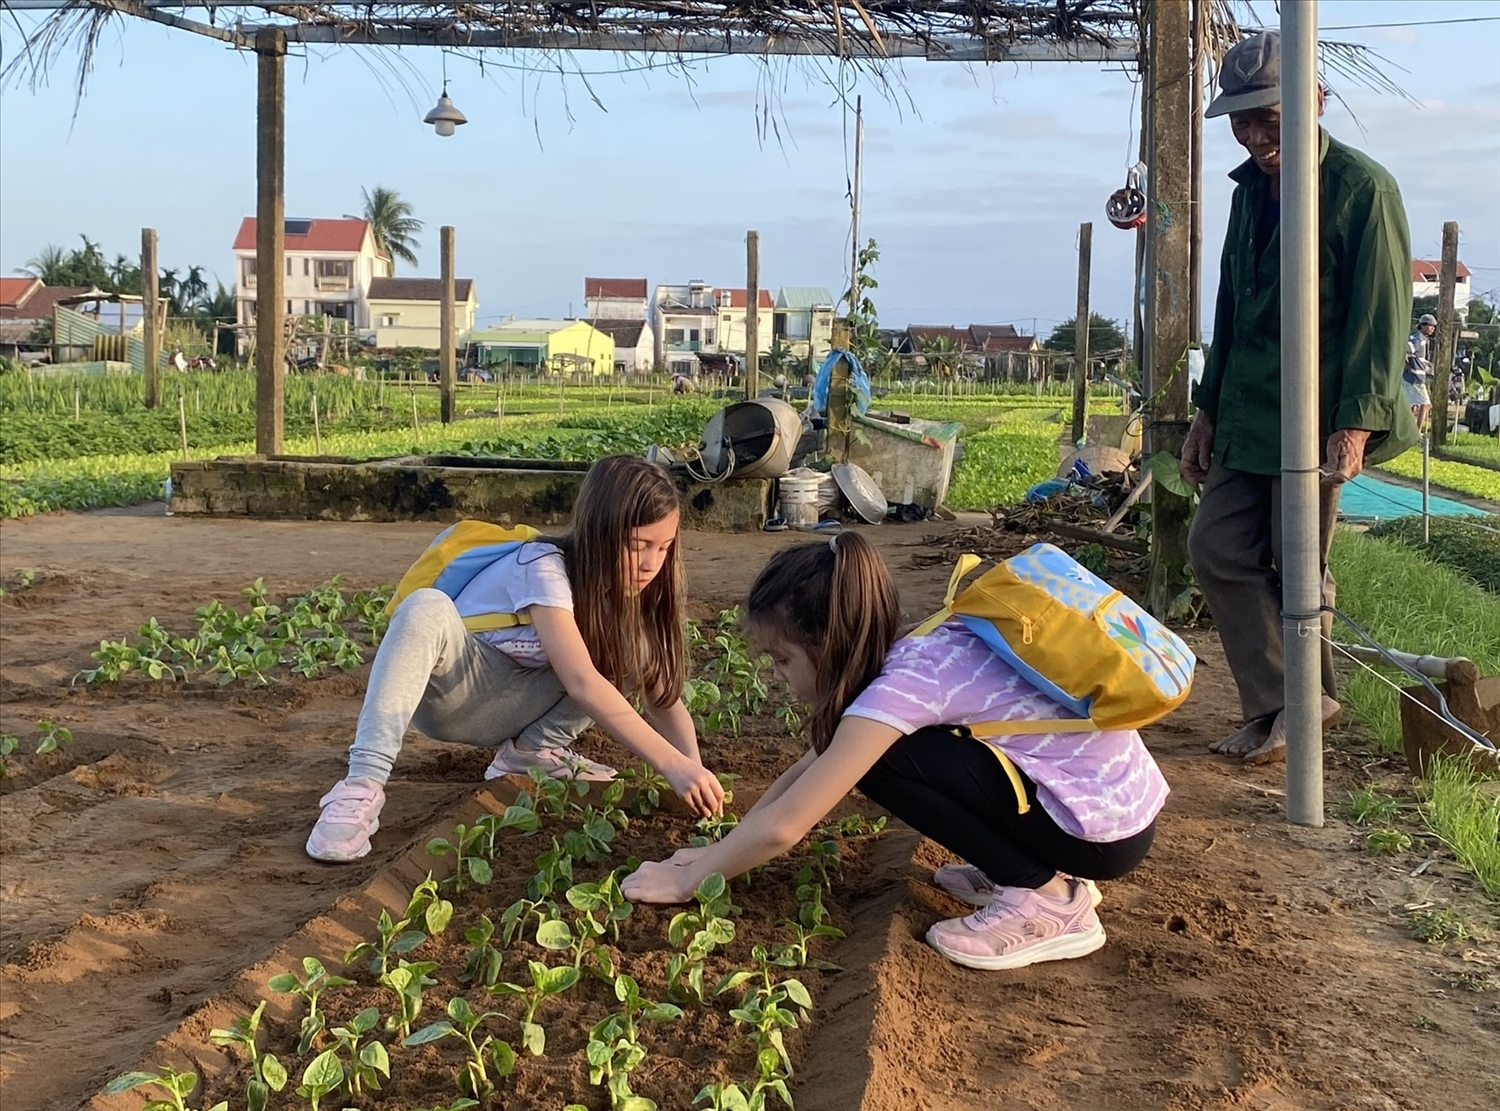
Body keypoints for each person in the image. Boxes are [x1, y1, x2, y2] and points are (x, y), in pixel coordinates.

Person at [622, 535, 1167, 972]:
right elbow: (810, 766)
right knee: (879, 753)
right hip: (1109, 808)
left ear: (826, 641)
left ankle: (1047, 898)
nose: (779, 676)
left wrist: (687, 881)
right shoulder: (918, 646)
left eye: (782, 659)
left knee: (882, 764)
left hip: (1098, 835)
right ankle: (1022, 872)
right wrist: (721, 851)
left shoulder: (900, 690)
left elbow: (788, 824)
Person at [1181, 31, 1418, 765]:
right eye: (1242, 121)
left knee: (1294, 563)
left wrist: (1354, 427)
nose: (1256, 136)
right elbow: (1230, 308)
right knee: (1216, 547)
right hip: (1248, 410)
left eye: (1270, 117)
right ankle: (1292, 703)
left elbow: (1382, 318)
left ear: (1313, 101)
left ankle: (1296, 711)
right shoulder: (1250, 194)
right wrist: (1205, 409)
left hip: (1315, 417)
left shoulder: (1360, 189)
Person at [306, 454, 725, 863]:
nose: (651, 564)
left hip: (518, 706)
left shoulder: (627, 597)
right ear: (599, 533)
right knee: (425, 607)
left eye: (664, 547)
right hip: (455, 695)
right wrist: (671, 765)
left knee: (637, 648)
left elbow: (663, 698)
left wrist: (696, 772)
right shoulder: (542, 566)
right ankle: (360, 786)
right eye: (638, 546)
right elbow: (580, 681)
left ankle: (530, 753)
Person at [1405, 313, 1437, 431]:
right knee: (1426, 404)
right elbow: (1407, 348)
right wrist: (1406, 363)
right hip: (1415, 377)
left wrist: (1406, 362)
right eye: (1430, 325)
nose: (1433, 328)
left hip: (1413, 377)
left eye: (1434, 326)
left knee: (1413, 406)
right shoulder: (1419, 339)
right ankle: (1416, 432)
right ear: (1422, 326)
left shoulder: (1420, 338)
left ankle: (1409, 429)